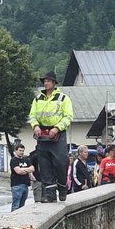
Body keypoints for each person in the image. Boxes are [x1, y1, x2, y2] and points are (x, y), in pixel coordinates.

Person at [28, 72, 74, 202]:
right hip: (42, 135)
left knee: (61, 162)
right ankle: (50, 194)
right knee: (45, 164)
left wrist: (57, 128)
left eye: (48, 81)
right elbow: (32, 115)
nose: (45, 83)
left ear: (54, 83)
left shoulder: (63, 98)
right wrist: (35, 125)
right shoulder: (38, 99)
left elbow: (68, 116)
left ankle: (63, 188)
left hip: (57, 134)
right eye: (44, 81)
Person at [9, 144, 34, 210]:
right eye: (20, 150)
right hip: (17, 185)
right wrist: (27, 170)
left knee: (22, 206)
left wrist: (23, 169)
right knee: (16, 205)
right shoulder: (14, 160)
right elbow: (18, 172)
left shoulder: (26, 159)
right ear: (16, 151)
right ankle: (13, 219)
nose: (21, 152)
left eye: (23, 151)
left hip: (26, 185)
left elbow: (32, 169)